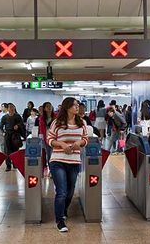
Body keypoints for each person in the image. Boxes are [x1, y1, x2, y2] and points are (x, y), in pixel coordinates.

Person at [47, 97, 88, 233]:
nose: (77, 107)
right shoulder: (57, 122)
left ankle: (63, 209)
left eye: (77, 105)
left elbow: (85, 139)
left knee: (70, 191)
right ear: (67, 107)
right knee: (62, 191)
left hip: (74, 161)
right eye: (74, 105)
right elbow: (50, 139)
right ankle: (60, 220)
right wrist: (61, 144)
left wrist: (79, 143)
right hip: (58, 160)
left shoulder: (81, 122)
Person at [1, 103, 24, 171]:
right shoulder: (4, 117)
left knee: (15, 150)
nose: (11, 108)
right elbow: (1, 126)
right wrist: (3, 132)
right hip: (8, 134)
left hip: (15, 135)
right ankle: (8, 165)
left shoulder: (17, 116)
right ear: (7, 108)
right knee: (7, 151)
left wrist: (18, 125)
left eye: (12, 107)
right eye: (10, 107)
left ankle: (15, 164)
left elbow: (21, 124)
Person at [38, 102, 56, 177]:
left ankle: (53, 171)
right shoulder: (42, 118)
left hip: (55, 139)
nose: (49, 108)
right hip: (46, 139)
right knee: (49, 155)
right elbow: (41, 129)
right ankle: (51, 170)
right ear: (44, 108)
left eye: (50, 106)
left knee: (54, 155)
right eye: (47, 106)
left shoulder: (56, 117)